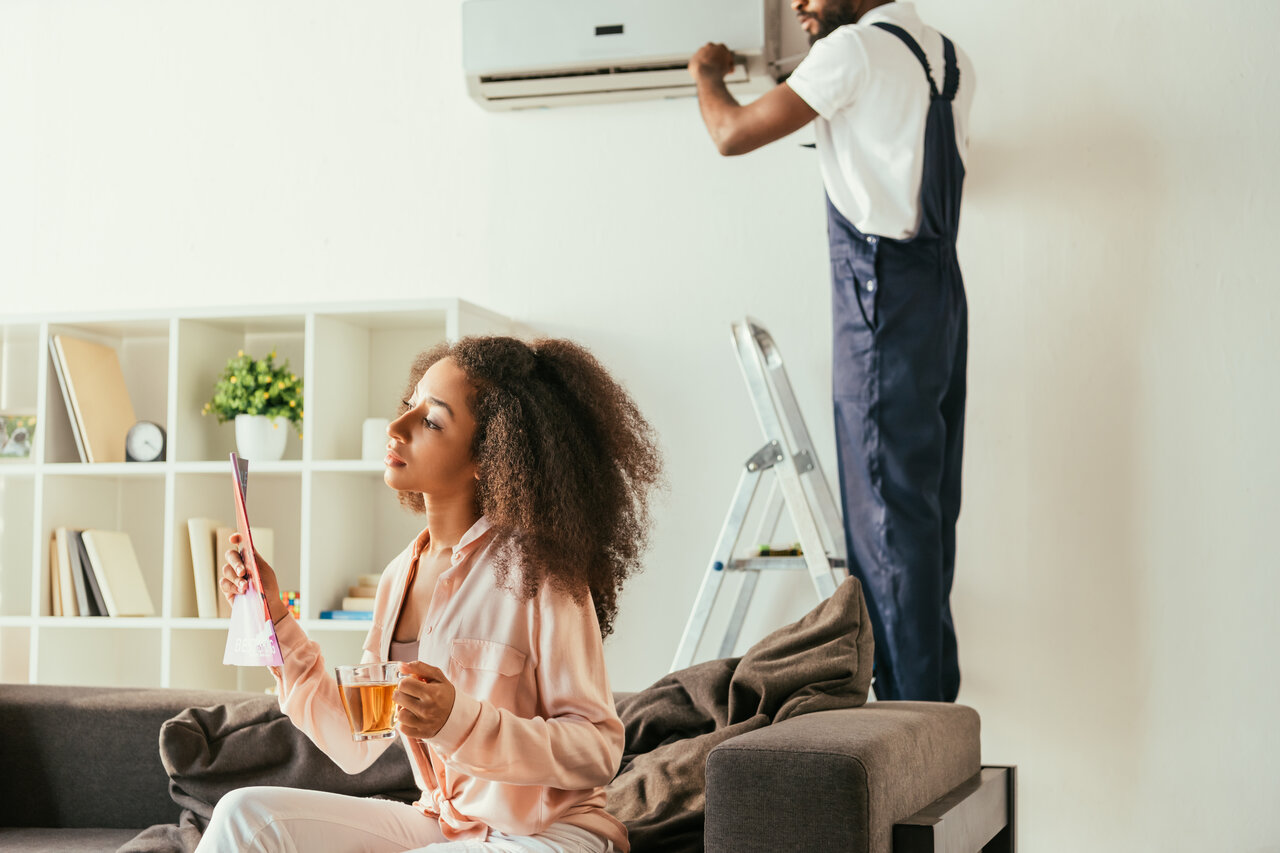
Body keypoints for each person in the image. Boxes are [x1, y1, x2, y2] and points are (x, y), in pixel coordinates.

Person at [199, 336, 663, 853]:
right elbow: (358, 741)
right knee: (245, 815)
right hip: (445, 828)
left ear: (488, 458)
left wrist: (457, 721)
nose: (397, 428)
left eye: (432, 421)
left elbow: (597, 749)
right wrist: (275, 615)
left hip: (550, 836)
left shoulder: (542, 574)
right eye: (409, 406)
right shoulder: (400, 576)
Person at [686, 0, 975, 702]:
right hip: (940, 297)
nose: (798, 5)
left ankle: (912, 730)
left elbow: (729, 133)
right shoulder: (950, 57)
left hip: (879, 301)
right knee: (927, 522)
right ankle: (934, 714)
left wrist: (706, 72)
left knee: (886, 529)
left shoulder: (851, 52)